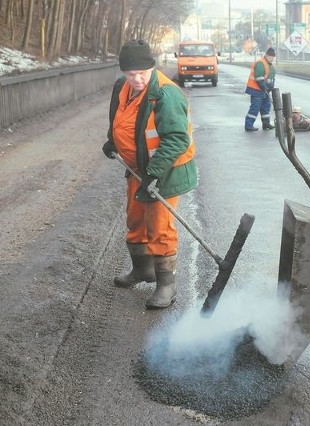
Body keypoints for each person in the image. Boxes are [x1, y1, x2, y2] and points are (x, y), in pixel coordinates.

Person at [101, 40, 197, 309]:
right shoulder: (122, 87)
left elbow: (178, 140)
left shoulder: (166, 94)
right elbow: (119, 118)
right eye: (131, 74)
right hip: (139, 169)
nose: (137, 79)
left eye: (142, 73)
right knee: (135, 219)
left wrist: (154, 173)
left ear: (152, 68)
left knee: (159, 225)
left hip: (165, 170)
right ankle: (142, 270)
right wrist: (112, 140)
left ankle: (167, 285)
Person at [245, 47, 276, 131]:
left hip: (264, 90)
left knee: (266, 106)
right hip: (256, 90)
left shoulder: (269, 65)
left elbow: (270, 78)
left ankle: (266, 124)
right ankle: (248, 126)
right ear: (266, 55)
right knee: (255, 107)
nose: (272, 59)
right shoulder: (260, 63)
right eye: (270, 57)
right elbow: (259, 78)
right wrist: (265, 88)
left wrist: (270, 87)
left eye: (273, 57)